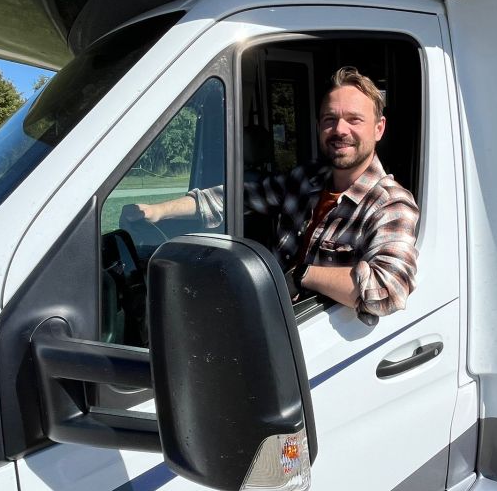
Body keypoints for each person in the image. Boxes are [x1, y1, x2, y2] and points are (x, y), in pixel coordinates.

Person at [128, 67, 419, 325]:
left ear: (379, 129)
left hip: (310, 336)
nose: (339, 130)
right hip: (266, 314)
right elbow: (234, 197)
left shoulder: (391, 205)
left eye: (354, 120)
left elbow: (388, 290)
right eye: (330, 119)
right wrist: (155, 211)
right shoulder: (306, 180)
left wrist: (301, 274)